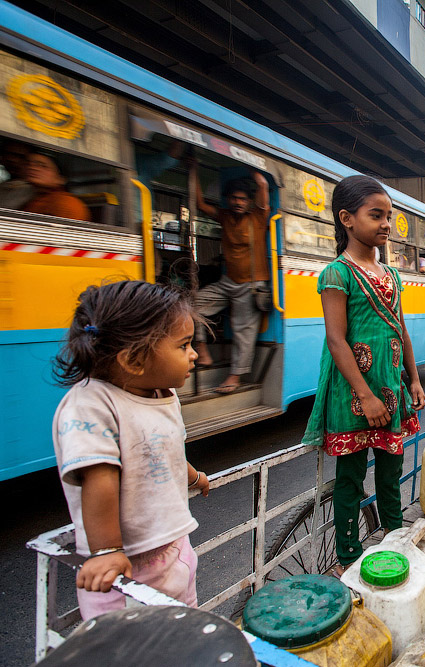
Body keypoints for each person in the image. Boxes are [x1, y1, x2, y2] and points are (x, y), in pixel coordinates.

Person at [51, 281, 210, 620]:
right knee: (132, 643)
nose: (194, 354)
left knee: (183, 633)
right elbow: (100, 479)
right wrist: (107, 552)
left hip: (175, 551)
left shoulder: (163, 393)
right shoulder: (91, 405)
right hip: (126, 571)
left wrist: (194, 477)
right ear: (134, 360)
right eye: (183, 345)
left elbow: (165, 453)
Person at [302, 175, 425, 572]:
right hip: (355, 396)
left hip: (390, 389)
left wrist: (414, 379)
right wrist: (366, 396)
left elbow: (401, 330)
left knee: (391, 475)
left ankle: (396, 545)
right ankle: (348, 559)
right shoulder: (336, 274)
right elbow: (336, 340)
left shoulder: (391, 275)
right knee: (350, 481)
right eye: (376, 215)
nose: (386, 224)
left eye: (388, 216)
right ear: (347, 219)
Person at [190, 162, 270, 394]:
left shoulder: (258, 217)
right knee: (192, 304)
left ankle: (235, 376)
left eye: (243, 199)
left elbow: (262, 183)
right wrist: (193, 169)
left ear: (249, 202)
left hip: (251, 285)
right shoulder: (224, 216)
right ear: (228, 199)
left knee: (243, 332)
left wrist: (247, 159)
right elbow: (199, 204)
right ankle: (202, 351)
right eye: (234, 198)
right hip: (228, 282)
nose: (238, 202)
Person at [20, 152, 90, 221]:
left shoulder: (66, 202)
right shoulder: (29, 198)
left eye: (42, 166)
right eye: (28, 164)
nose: (32, 168)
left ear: (60, 179)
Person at [0, 139, 34, 210]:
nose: (12, 159)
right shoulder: (6, 185)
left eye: (20, 157)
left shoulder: (27, 189)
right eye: (8, 154)